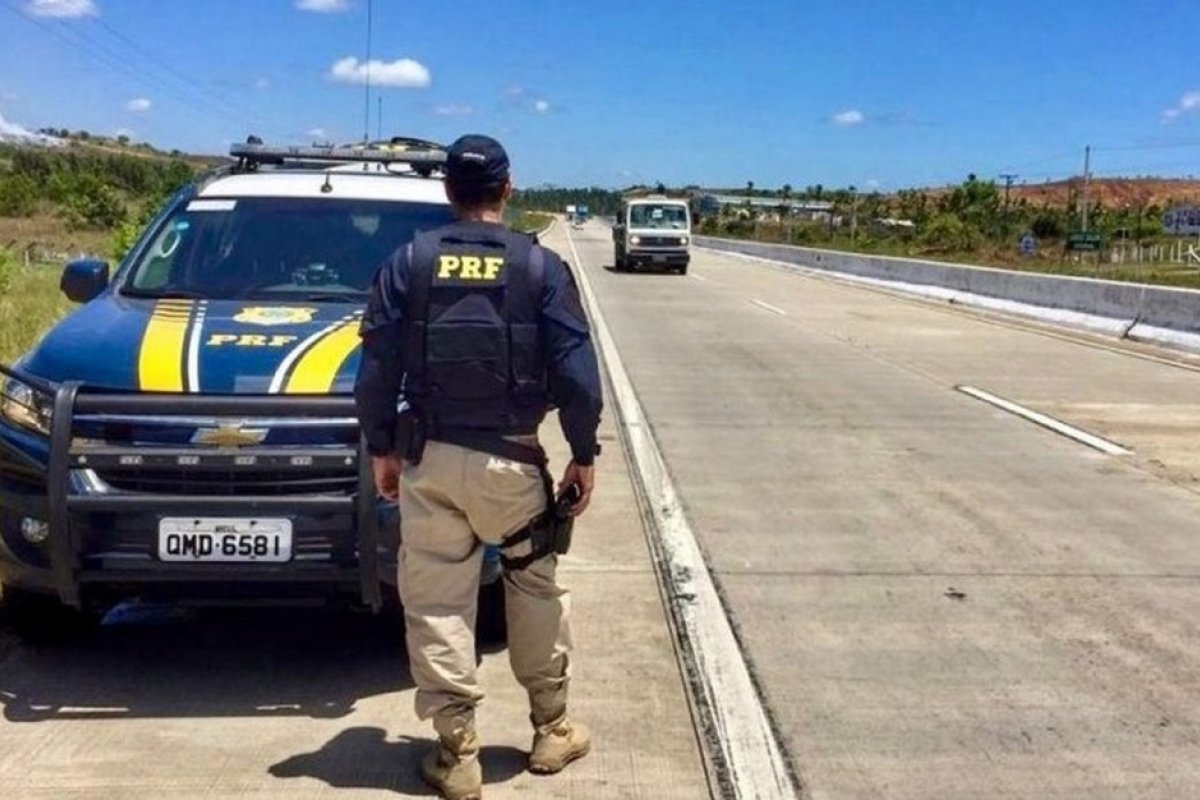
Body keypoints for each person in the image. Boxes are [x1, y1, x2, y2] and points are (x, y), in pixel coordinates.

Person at [354, 134, 603, 800]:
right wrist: (583, 453)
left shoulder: (408, 262)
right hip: (513, 461)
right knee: (533, 587)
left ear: (447, 192)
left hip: (429, 459)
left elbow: (375, 370)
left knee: (437, 600)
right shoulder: (539, 268)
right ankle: (551, 729)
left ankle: (456, 753)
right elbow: (578, 374)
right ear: (508, 189)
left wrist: (381, 447)